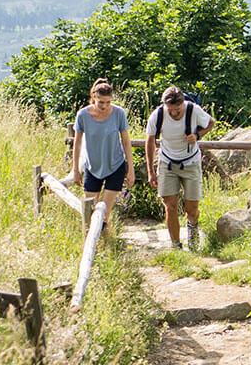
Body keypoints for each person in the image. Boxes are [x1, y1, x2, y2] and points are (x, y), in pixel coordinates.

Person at [145, 85, 213, 251]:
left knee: (192, 208)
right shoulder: (158, 115)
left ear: (183, 103)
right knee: (170, 205)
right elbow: (150, 141)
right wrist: (151, 171)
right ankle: (176, 245)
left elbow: (210, 122)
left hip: (191, 163)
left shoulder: (193, 110)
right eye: (171, 110)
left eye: (177, 109)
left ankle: (192, 227)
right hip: (167, 163)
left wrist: (197, 136)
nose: (174, 113)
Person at [71, 78, 135, 231]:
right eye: (101, 102)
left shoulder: (119, 113)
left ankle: (103, 243)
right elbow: (77, 143)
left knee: (104, 212)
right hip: (93, 166)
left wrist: (130, 169)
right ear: (94, 97)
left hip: (115, 165)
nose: (105, 106)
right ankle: (91, 245)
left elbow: (126, 141)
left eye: (108, 102)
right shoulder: (83, 115)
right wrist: (75, 170)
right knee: (90, 211)